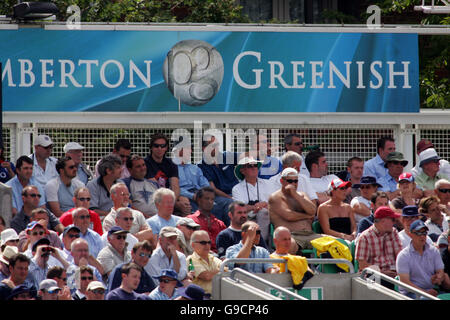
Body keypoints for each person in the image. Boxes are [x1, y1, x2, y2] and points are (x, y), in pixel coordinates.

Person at [174, 140, 233, 224]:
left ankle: (227, 232)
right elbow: (174, 187)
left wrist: (204, 194)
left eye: (190, 148)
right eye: (187, 149)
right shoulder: (172, 167)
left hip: (200, 194)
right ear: (178, 151)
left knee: (228, 203)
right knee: (208, 207)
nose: (190, 151)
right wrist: (192, 196)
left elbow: (204, 184)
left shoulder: (195, 168)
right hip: (186, 197)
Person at [268, 167, 318, 253]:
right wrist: (306, 216)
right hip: (291, 236)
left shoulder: (301, 195)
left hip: (310, 235)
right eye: (290, 181)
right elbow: (289, 216)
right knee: (288, 246)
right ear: (282, 181)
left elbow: (313, 210)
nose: (293, 184)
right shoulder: (275, 197)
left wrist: (295, 195)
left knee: (337, 243)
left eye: (296, 181)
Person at [396, 219, 450, 298]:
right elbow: (405, 283)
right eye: (418, 233)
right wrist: (425, 293)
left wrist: (438, 277)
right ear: (410, 235)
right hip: (411, 294)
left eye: (424, 233)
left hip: (432, 291)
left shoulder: (434, 251)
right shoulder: (403, 256)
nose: (422, 236)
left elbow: (440, 271)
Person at [355, 206, 402, 287]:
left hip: (394, 273)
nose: (394, 223)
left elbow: (399, 255)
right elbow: (363, 265)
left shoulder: (393, 232)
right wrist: (382, 273)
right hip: (374, 275)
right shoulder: (365, 237)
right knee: (377, 279)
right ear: (383, 221)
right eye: (392, 220)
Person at [232, 157, 273, 242]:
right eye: (250, 166)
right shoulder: (237, 188)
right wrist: (255, 207)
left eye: (255, 165)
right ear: (242, 171)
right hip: (247, 217)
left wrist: (263, 205)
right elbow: (240, 208)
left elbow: (274, 203)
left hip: (265, 215)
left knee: (263, 212)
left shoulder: (268, 183)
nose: (254, 168)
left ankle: (261, 242)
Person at [197, 135, 239, 217]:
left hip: (236, 193)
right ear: (204, 148)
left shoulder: (226, 156)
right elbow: (213, 188)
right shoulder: (201, 166)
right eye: (213, 145)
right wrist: (230, 197)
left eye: (217, 144)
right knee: (230, 204)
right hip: (220, 196)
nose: (216, 147)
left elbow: (245, 157)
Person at [187, 187, 227, 253]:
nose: (210, 202)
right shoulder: (190, 220)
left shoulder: (220, 223)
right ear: (199, 200)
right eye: (207, 198)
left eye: (212, 199)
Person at [121, 154, 159, 219]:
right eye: (138, 166)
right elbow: (128, 205)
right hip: (137, 220)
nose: (142, 168)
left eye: (143, 165)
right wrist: (146, 217)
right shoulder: (125, 184)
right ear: (130, 169)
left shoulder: (154, 184)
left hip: (157, 219)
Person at [144, 133, 180, 198]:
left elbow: (175, 187)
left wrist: (172, 201)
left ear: (166, 148)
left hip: (169, 198)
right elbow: (154, 186)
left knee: (184, 202)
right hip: (152, 197)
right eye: (156, 146)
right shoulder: (145, 163)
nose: (159, 148)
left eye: (163, 146)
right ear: (151, 147)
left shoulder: (171, 163)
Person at [87, 154, 123, 219]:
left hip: (120, 219)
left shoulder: (121, 183)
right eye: (118, 168)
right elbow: (92, 210)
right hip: (100, 220)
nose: (121, 170)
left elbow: (126, 204)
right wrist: (113, 215)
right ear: (108, 171)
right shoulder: (92, 186)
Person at [186, 230, 222, 294]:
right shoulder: (190, 260)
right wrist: (221, 270)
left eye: (209, 242)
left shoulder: (213, 258)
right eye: (203, 242)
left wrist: (221, 270)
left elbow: (226, 269)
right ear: (193, 245)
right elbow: (207, 276)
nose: (207, 245)